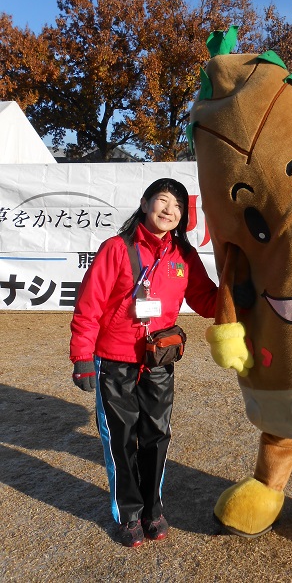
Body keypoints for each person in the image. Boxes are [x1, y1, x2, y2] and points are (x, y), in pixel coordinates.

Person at [70, 178, 217, 547]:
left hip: (159, 360)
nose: (169, 211)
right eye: (162, 201)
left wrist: (240, 288)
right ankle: (129, 513)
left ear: (184, 216)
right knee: (121, 439)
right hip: (114, 361)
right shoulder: (116, 249)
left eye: (178, 206)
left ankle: (153, 508)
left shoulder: (183, 256)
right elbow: (88, 307)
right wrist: (83, 357)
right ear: (145, 203)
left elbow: (206, 301)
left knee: (156, 435)